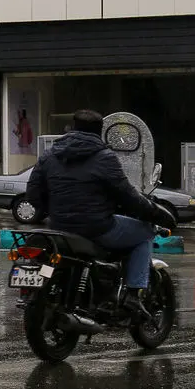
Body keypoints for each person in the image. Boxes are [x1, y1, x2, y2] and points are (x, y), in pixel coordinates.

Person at [26, 109, 175, 333]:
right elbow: (128, 196)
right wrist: (155, 213)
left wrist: (55, 213)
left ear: (72, 128)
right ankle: (134, 295)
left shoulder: (50, 155)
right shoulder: (104, 157)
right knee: (145, 232)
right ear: (100, 131)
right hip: (97, 227)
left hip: (59, 228)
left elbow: (33, 194)